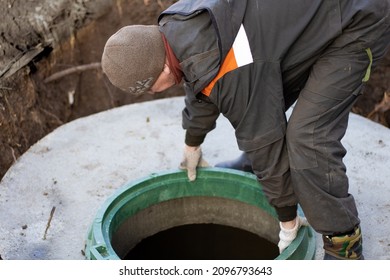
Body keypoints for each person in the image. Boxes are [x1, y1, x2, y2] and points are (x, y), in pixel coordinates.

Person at [101, 0, 390, 260]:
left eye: (150, 87)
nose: (153, 92)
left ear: (163, 68)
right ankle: (255, 167)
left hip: (356, 21)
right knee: (260, 107)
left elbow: (264, 138)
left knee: (307, 138)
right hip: (310, 18)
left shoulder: (229, 67)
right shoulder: (178, 25)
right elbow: (198, 82)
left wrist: (287, 220)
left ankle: (344, 246)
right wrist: (192, 142)